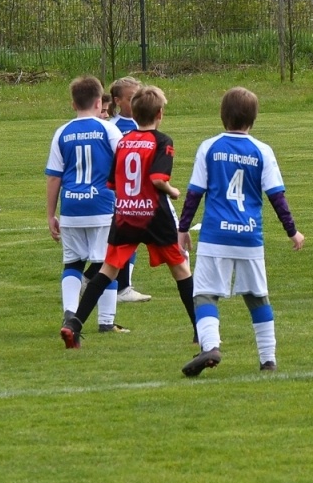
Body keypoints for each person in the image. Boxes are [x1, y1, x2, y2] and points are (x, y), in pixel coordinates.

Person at [177, 87, 305, 375]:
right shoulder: (263, 151)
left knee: (205, 294)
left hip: (215, 235)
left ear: (222, 115)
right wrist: (292, 231)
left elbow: (194, 193)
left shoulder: (209, 147)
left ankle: (211, 346)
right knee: (257, 297)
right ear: (254, 119)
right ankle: (268, 360)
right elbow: (277, 197)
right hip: (249, 237)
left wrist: (183, 228)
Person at [65, 86, 199, 354]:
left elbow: (113, 183)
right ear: (160, 114)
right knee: (181, 270)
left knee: (107, 271)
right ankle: (201, 329)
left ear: (134, 114)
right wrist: (172, 191)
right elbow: (157, 179)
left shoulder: (124, 142)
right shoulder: (162, 141)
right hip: (153, 215)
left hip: (126, 214)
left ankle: (74, 324)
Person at [46, 75, 129, 338]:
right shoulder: (109, 130)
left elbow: (54, 177)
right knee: (109, 263)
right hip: (103, 206)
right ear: (98, 102)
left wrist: (51, 214)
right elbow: (124, 167)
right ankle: (106, 322)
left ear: (73, 104)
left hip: (71, 208)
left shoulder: (62, 133)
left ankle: (70, 313)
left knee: (72, 263)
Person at [104, 75, 151, 304]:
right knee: (121, 239)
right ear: (117, 101)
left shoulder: (142, 124)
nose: (136, 102)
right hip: (117, 193)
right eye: (132, 97)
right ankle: (117, 286)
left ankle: (122, 285)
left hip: (138, 192)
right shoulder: (111, 127)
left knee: (132, 238)